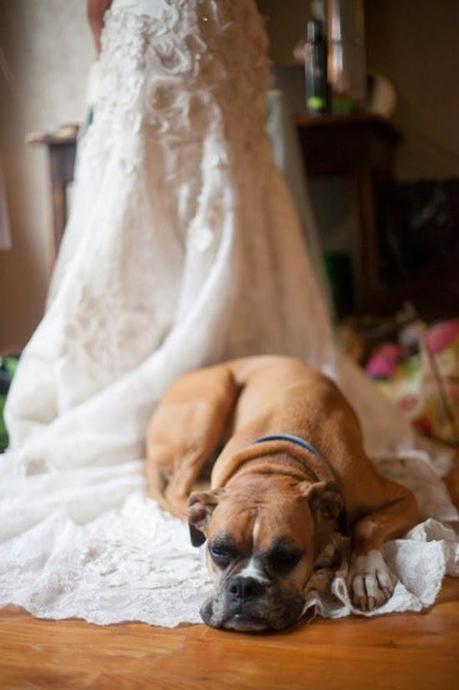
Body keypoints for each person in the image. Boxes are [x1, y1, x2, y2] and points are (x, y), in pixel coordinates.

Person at [0, 0, 456, 627]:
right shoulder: (220, 484)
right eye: (224, 553)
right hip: (236, 386)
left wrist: (367, 541)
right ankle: (170, 480)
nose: (245, 584)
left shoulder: (337, 487)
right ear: (204, 521)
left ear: (328, 517)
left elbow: (396, 503)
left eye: (281, 558)